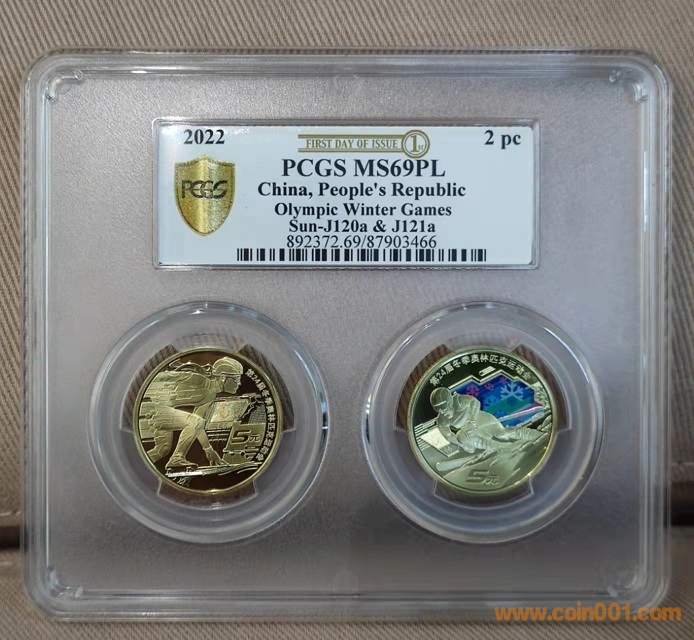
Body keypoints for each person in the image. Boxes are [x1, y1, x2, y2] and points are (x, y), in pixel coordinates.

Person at [138, 356, 243, 470]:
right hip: (151, 405)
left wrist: (208, 449)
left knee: (162, 450)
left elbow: (197, 427)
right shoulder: (198, 380)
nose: (239, 383)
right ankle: (177, 458)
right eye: (236, 379)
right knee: (195, 421)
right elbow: (163, 377)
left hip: (159, 410)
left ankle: (137, 464)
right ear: (222, 377)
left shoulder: (210, 396)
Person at [429, 387, 537, 454]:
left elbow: (475, 403)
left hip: (483, 420)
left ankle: (531, 434)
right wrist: (462, 445)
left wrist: (471, 421)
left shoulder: (459, 400)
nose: (442, 411)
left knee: (502, 434)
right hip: (471, 432)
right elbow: (448, 435)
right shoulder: (442, 420)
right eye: (438, 409)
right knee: (462, 437)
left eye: (443, 407)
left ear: (449, 401)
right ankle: (502, 448)